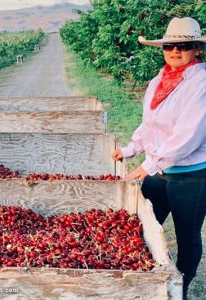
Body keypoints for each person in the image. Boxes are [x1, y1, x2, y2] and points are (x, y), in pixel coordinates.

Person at [111, 17, 205, 299]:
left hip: (191, 175)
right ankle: (139, 284)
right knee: (140, 231)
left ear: (197, 49)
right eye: (170, 46)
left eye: (184, 46)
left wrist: (149, 165)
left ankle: (181, 290)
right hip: (159, 171)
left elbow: (188, 135)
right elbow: (150, 124)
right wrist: (131, 149)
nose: (175, 51)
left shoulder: (201, 83)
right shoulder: (158, 81)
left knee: (187, 236)